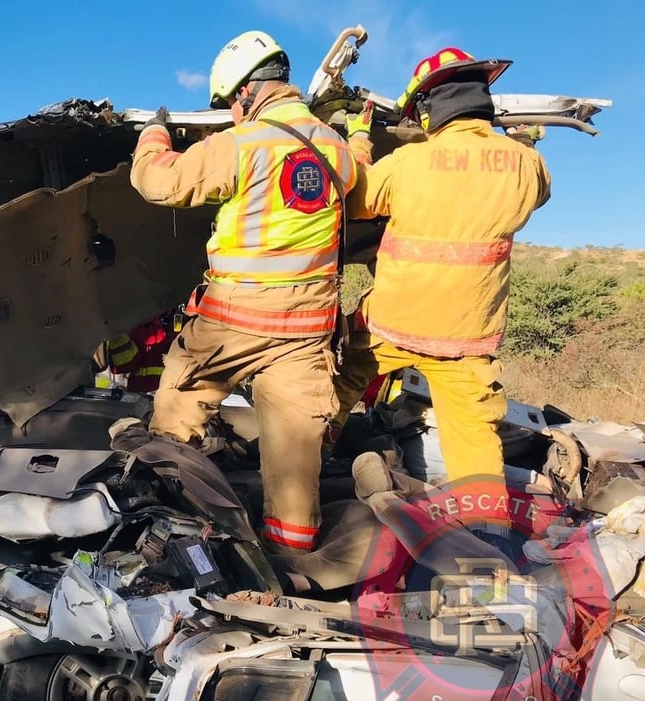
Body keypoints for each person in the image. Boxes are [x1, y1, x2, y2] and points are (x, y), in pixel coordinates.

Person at [129, 30, 361, 578]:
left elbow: (160, 184)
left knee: (174, 420)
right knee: (295, 464)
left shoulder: (244, 142)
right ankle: (294, 568)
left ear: (246, 93)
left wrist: (154, 137)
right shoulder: (336, 151)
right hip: (306, 334)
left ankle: (168, 537)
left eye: (231, 102)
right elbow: (357, 178)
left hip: (231, 322)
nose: (233, 112)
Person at [332, 48, 551, 523]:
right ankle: (490, 540)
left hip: (392, 323)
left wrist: (360, 143)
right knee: (474, 441)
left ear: (430, 108)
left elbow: (354, 200)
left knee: (336, 392)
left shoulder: (410, 162)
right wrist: (526, 143)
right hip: (467, 337)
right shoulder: (524, 165)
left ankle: (298, 476)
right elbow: (538, 189)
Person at [106, 310, 181, 394]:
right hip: (139, 394)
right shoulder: (129, 324)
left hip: (169, 394)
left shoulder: (178, 318)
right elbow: (125, 365)